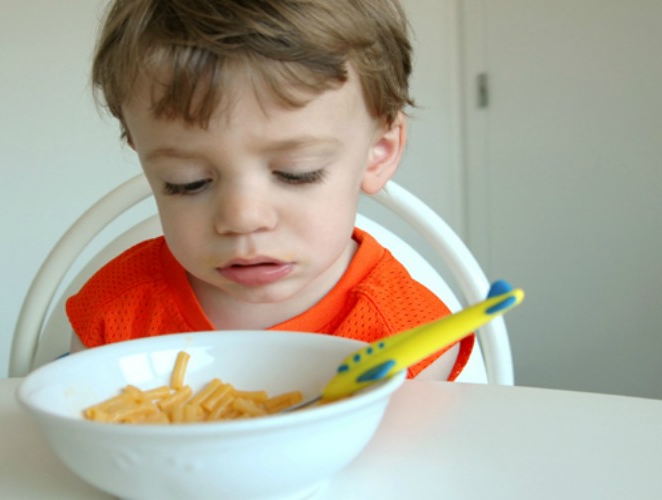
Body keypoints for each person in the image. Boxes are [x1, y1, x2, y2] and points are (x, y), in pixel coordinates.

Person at [66, 0, 473, 380]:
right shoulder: (111, 316)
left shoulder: (409, 338)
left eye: (297, 173)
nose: (242, 218)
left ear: (378, 151)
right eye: (186, 180)